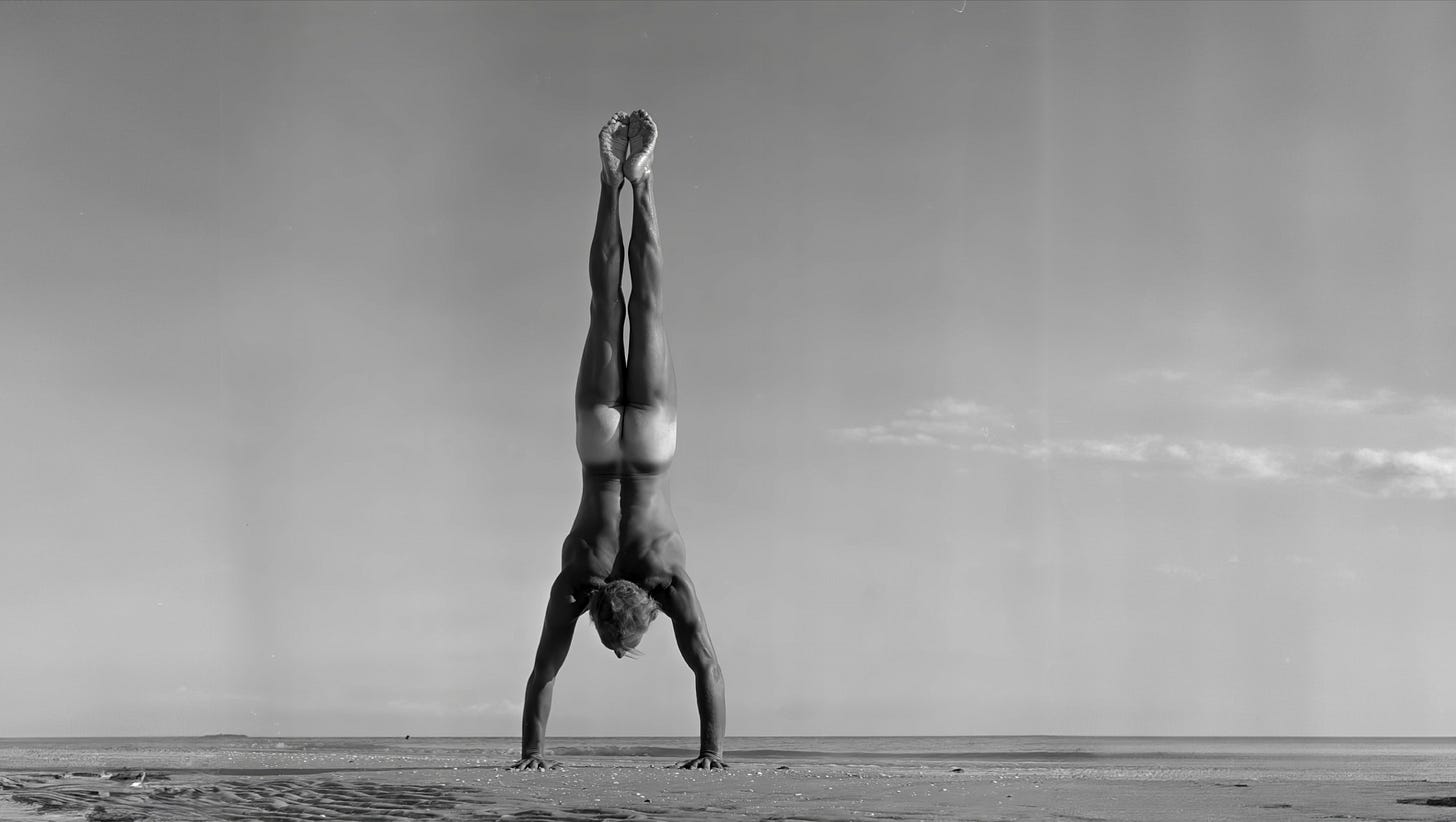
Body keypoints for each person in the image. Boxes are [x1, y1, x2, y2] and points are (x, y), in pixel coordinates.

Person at [510, 110, 727, 771]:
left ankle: (640, 181)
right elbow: (542, 676)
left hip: (653, 446)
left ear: (647, 612)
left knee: (644, 307)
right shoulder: (582, 578)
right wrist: (532, 752)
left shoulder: (665, 577)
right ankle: (615, 181)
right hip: (600, 445)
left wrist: (713, 750)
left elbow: (709, 668)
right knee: (609, 308)